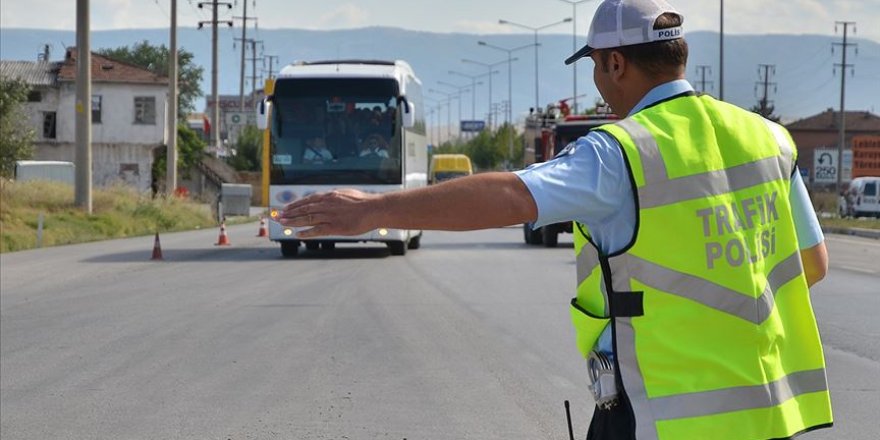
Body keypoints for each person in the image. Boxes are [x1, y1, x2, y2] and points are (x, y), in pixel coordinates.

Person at [279, 0, 832, 438]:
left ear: (615, 62)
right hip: (766, 414)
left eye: (594, 65)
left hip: (659, 417)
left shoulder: (620, 152)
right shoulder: (767, 139)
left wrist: (373, 210)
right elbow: (812, 264)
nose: (597, 79)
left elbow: (512, 197)